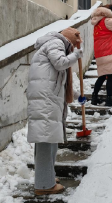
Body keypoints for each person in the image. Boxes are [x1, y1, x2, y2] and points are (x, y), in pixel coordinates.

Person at [27, 27, 83, 195]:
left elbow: (58, 81)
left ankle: (46, 177)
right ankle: (44, 185)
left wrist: (76, 95)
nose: (72, 50)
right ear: (69, 42)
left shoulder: (53, 45)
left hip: (48, 99)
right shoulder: (56, 43)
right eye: (72, 47)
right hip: (46, 100)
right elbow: (60, 64)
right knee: (45, 141)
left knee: (49, 140)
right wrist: (77, 55)